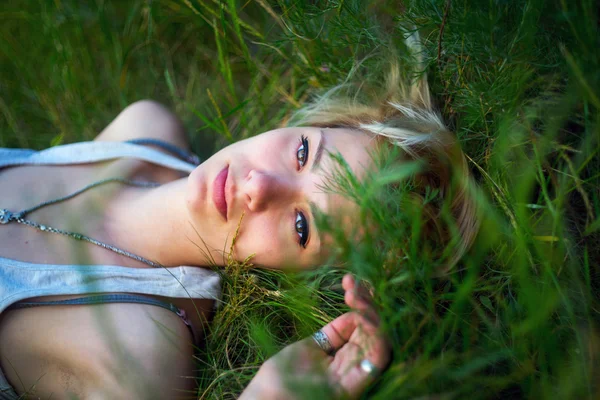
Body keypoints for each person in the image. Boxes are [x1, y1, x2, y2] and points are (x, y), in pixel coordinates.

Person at [0, 53, 478, 398]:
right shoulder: (146, 130)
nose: (258, 187)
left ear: (308, 277)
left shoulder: (137, 354)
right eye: (303, 153)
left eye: (301, 226)